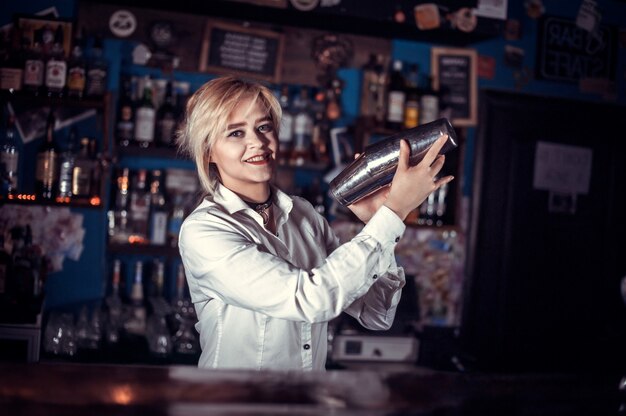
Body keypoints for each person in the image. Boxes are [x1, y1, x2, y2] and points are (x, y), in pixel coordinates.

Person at [176, 76, 454, 370]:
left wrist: (378, 219)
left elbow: (376, 314)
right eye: (235, 133)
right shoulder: (204, 231)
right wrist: (393, 213)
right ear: (207, 152)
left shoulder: (303, 215)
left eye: (263, 127)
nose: (257, 142)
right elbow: (309, 299)